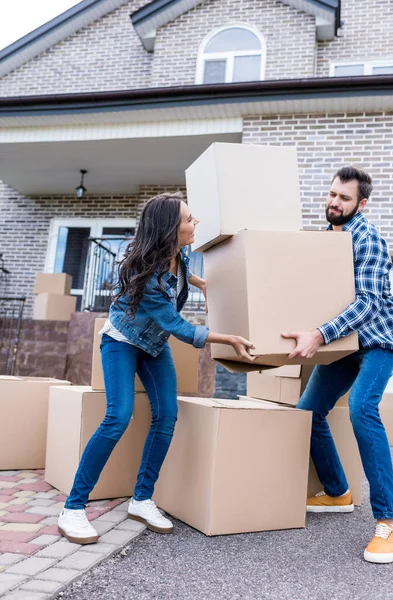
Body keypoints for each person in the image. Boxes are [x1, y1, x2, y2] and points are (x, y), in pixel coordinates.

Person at [58, 192, 254, 544]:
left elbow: (183, 275)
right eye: (189, 219)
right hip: (122, 340)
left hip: (153, 346)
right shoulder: (143, 273)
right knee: (118, 416)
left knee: (167, 415)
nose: (195, 223)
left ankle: (142, 498)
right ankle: (73, 508)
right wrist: (230, 339)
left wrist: (201, 283)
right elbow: (176, 325)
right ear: (168, 229)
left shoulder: (181, 251)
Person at [283, 166, 393, 564]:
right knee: (308, 411)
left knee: (362, 409)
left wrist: (318, 334)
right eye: (332, 194)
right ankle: (337, 492)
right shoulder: (327, 240)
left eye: (344, 198)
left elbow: (366, 303)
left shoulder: (368, 238)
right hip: (344, 344)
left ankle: (390, 521)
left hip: (379, 341)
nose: (334, 202)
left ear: (361, 203)